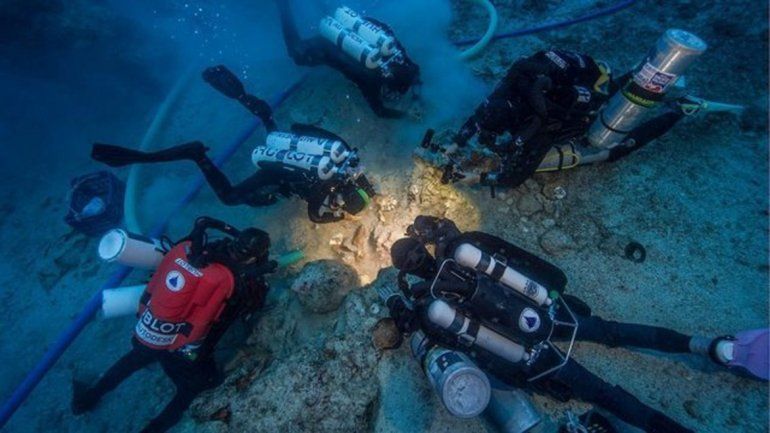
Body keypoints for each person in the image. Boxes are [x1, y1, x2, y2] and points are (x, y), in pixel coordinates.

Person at [380, 215, 769, 433]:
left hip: (535, 337)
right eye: (411, 259)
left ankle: (703, 347)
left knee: (607, 381)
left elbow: (453, 335)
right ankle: (706, 347)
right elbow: (506, 263)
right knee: (611, 355)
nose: (418, 260)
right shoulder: (452, 263)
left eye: (414, 253)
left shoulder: (440, 280)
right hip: (542, 325)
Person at [91, 65, 376, 224]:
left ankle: (253, 106)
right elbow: (315, 216)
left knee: (271, 130)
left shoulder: (345, 159)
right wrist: (338, 218)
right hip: (276, 171)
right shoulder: (324, 192)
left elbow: (310, 132)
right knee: (230, 197)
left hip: (290, 149)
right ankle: (196, 156)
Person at [72, 217, 275, 433]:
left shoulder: (188, 250)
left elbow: (155, 283)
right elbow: (244, 311)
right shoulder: (236, 282)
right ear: (253, 256)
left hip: (151, 330)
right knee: (196, 388)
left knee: (132, 361)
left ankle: (86, 399)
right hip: (186, 350)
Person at [435, 49, 715, 188]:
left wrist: (475, 177)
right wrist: (456, 144)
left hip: (578, 111)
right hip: (576, 83)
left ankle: (678, 110)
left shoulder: (541, 121)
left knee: (610, 149)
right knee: (607, 97)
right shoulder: (516, 80)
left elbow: (512, 178)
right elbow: (480, 115)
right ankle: (635, 75)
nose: (488, 136)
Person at [275, 0, 421, 118]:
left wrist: (416, 99)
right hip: (328, 47)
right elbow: (380, 111)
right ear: (387, 81)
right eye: (391, 91)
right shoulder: (371, 80)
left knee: (330, 15)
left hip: (358, 27)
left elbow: (415, 72)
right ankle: (283, 5)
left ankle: (327, 12)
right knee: (296, 54)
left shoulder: (396, 52)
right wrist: (405, 115)